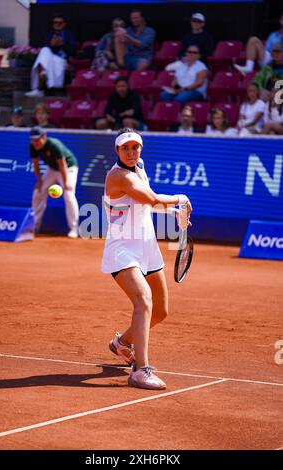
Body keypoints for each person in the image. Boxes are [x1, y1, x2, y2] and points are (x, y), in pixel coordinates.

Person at [101, 128, 192, 390]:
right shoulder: (119, 176)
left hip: (147, 247)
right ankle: (140, 370)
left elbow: (145, 204)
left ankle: (122, 343)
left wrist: (175, 211)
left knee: (160, 311)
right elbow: (151, 199)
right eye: (125, 148)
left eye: (135, 147)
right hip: (122, 250)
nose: (131, 153)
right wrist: (181, 200)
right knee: (143, 299)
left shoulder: (139, 166)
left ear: (140, 149)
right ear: (116, 151)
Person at [30, 126, 79, 238]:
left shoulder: (54, 145)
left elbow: (63, 165)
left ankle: (74, 228)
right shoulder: (32, 147)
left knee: (69, 195)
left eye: (37, 139)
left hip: (69, 168)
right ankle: (33, 226)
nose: (35, 142)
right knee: (38, 192)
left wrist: (66, 183)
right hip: (52, 169)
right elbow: (35, 164)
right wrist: (39, 181)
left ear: (44, 137)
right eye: (33, 140)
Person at [26, 14, 76, 97]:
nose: (57, 25)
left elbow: (72, 51)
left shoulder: (69, 35)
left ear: (64, 24)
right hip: (50, 58)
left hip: (61, 59)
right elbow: (47, 49)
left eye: (60, 23)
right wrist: (52, 45)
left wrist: (61, 45)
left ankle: (40, 87)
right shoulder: (50, 34)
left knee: (42, 61)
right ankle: (43, 72)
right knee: (44, 50)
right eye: (55, 23)